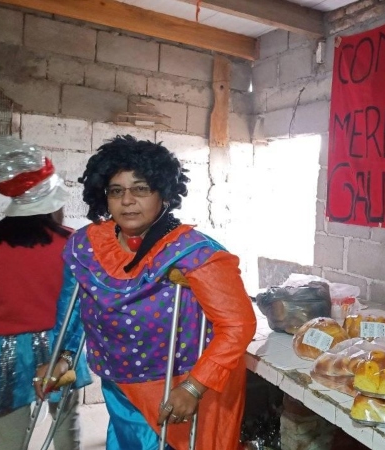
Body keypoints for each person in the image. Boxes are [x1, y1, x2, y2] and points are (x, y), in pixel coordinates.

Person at [36, 135, 257, 450]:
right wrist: (64, 357)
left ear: (163, 194)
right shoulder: (87, 245)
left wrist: (195, 387)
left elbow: (238, 324)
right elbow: (74, 308)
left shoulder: (195, 253)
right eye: (116, 191)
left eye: (140, 189)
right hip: (119, 384)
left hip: (183, 383)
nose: (127, 201)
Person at [0, 136, 91, 450]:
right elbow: (80, 305)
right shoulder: (72, 243)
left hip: (3, 353)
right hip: (61, 348)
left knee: (7, 436)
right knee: (65, 431)